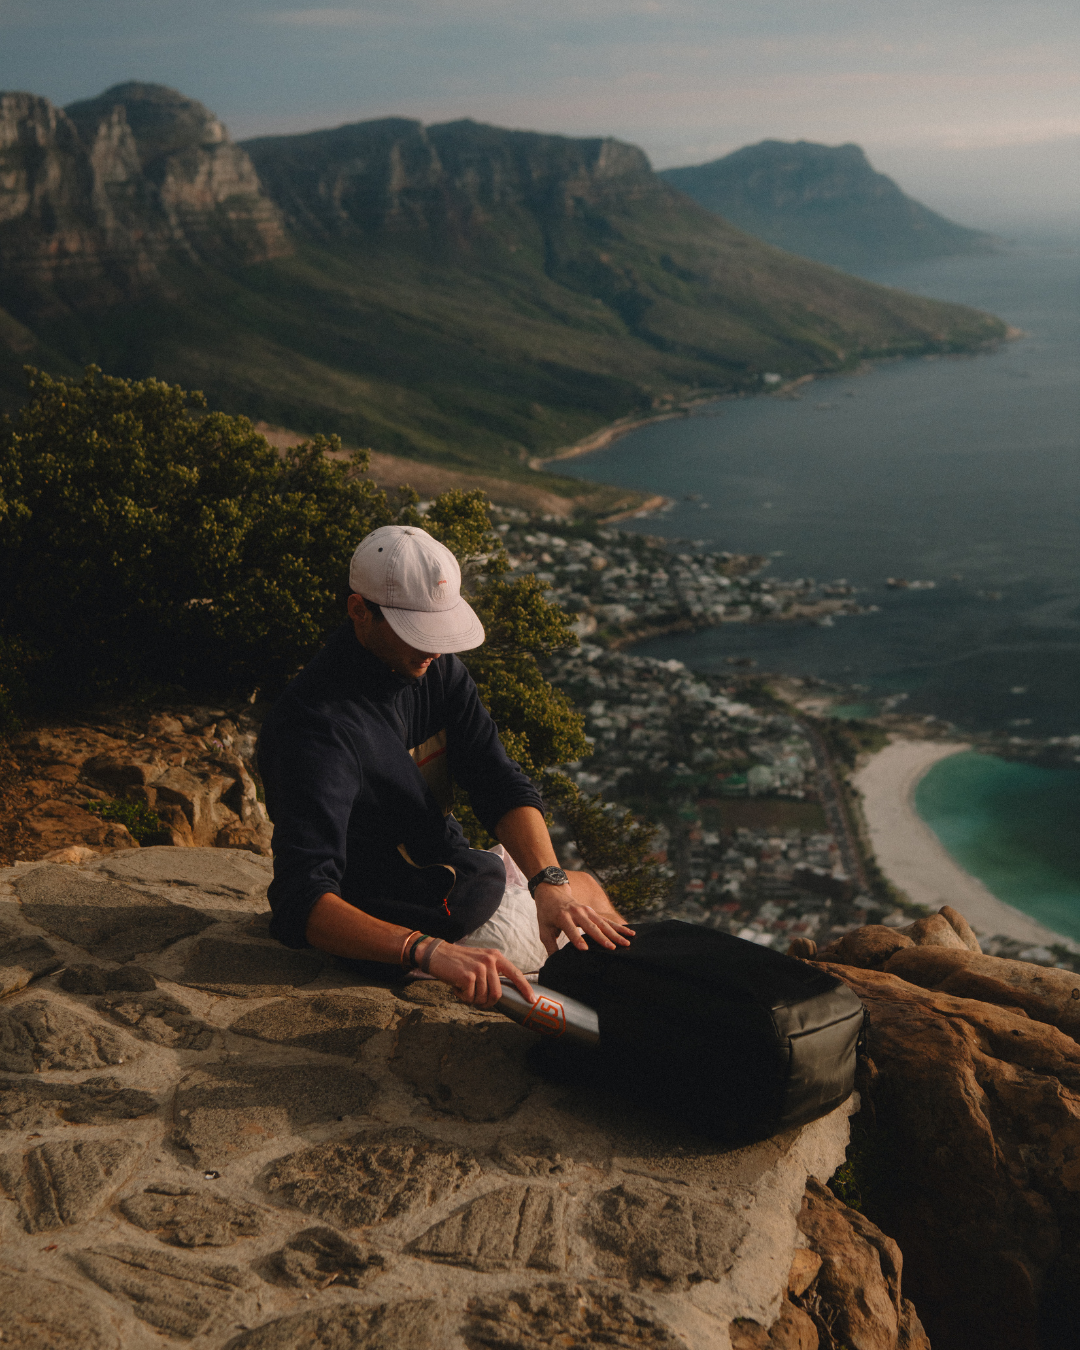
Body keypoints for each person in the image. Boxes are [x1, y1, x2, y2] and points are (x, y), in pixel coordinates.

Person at [258, 524, 633, 1009]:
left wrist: (548, 883)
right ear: (359, 611)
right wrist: (428, 952)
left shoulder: (434, 670)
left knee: (576, 890)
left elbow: (497, 781)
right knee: (604, 948)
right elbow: (299, 899)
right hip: (415, 917)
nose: (434, 647)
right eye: (416, 632)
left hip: (452, 877)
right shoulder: (316, 726)